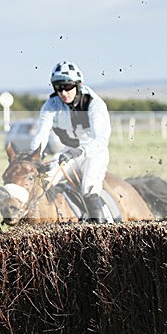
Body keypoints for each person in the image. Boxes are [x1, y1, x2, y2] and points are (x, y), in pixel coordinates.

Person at [29, 61, 112, 223]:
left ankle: (103, 228)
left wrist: (78, 152)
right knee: (43, 181)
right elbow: (41, 135)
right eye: (58, 88)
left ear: (77, 85)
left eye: (67, 87)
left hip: (94, 154)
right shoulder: (51, 105)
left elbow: (101, 140)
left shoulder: (94, 103)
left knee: (89, 188)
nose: (63, 93)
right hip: (69, 152)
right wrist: (34, 156)